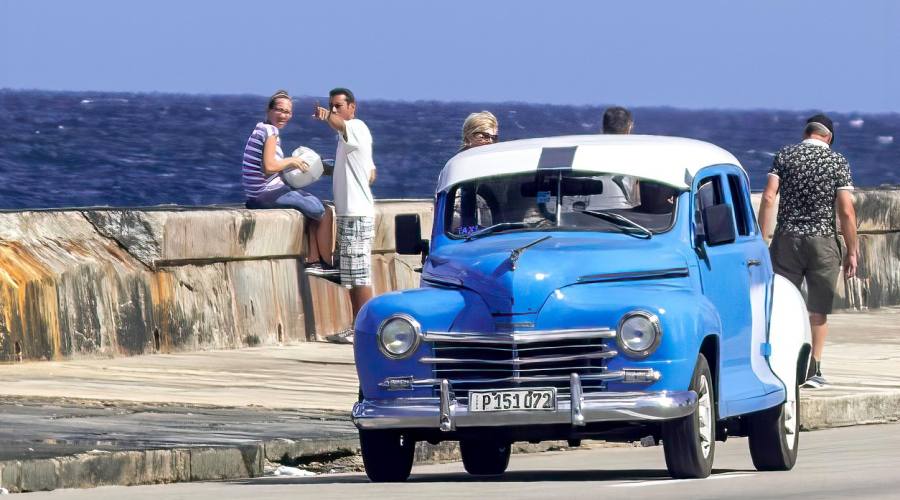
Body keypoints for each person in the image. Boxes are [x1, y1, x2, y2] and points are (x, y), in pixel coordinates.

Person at [758, 113, 859, 389]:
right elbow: (847, 211)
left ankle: (782, 363)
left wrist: (761, 238)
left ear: (806, 134)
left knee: (782, 306)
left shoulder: (786, 155)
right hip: (823, 242)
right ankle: (813, 369)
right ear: (829, 137)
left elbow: (768, 196)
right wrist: (852, 250)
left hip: (786, 240)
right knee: (818, 308)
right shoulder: (837, 161)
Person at [242, 90, 334, 270]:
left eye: (287, 112)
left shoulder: (260, 128)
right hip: (266, 194)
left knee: (312, 195)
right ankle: (327, 264)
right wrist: (292, 161)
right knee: (320, 210)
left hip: (261, 193)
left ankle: (314, 260)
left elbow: (269, 167)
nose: (284, 115)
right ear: (269, 111)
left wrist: (298, 165)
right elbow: (269, 167)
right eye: (280, 110)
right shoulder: (271, 132)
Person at [313, 88, 377, 344]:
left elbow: (338, 123)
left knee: (360, 277)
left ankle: (366, 332)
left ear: (352, 107)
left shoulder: (356, 127)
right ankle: (356, 327)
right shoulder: (346, 139)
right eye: (332, 105)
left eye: (339, 105)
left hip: (358, 215)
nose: (335, 110)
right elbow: (371, 172)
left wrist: (326, 115)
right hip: (349, 214)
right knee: (351, 276)